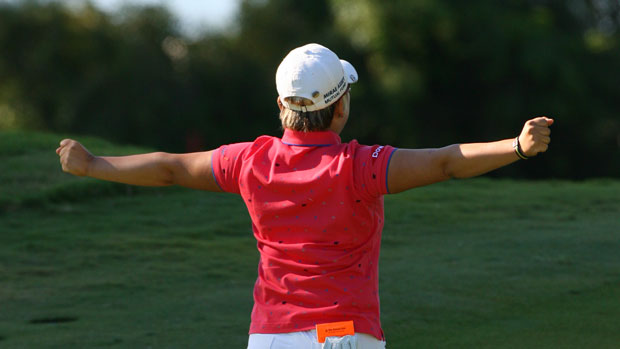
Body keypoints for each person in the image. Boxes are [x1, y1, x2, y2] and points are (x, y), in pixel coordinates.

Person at [56, 43, 553, 349]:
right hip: (343, 336)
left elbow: (168, 169)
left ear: (281, 106)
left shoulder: (249, 160)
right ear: (339, 111)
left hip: (268, 338)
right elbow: (447, 161)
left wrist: (94, 164)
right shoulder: (361, 167)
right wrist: (517, 147)